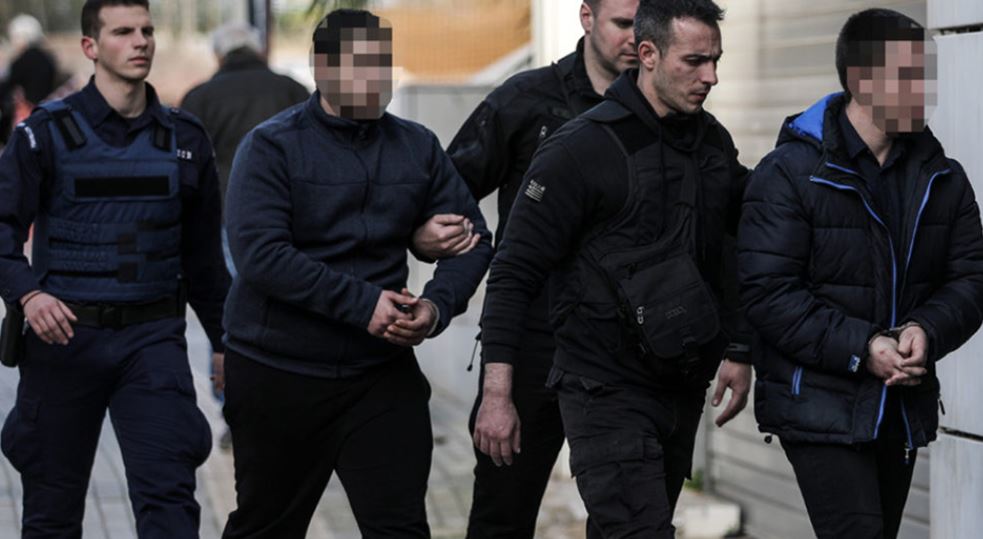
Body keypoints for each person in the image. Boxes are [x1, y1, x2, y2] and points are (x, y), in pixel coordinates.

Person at [473, 1, 752, 537]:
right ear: (648, 55)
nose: (711, 77)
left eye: (715, 60)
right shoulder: (580, 148)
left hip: (679, 386)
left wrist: (740, 347)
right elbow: (513, 272)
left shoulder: (711, 143)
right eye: (694, 61)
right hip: (602, 388)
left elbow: (735, 247)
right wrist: (497, 394)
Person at [219, 9, 493, 539]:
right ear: (322, 68)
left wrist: (435, 307)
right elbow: (261, 254)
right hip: (279, 373)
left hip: (379, 376)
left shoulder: (416, 146)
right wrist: (364, 305)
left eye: (383, 63)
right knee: (266, 527)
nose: (376, 77)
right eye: (360, 65)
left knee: (401, 528)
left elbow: (473, 239)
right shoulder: (271, 146)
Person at [738, 9, 983, 539]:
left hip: (899, 406)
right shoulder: (789, 174)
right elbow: (768, 293)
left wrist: (926, 330)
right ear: (861, 81)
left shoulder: (942, 177)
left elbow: (970, 280)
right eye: (907, 76)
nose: (924, 91)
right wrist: (863, 347)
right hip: (820, 403)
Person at [0, 1, 229, 537]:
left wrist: (225, 343)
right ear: (90, 46)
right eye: (123, 31)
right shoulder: (43, 134)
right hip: (63, 342)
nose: (140, 41)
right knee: (51, 516)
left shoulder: (186, 139)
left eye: (146, 30)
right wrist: (28, 295)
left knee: (171, 508)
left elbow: (203, 258)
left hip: (152, 342)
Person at [429, 1, 638, 536]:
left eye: (646, 23)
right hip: (530, 341)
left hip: (626, 347)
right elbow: (448, 191)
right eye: (623, 23)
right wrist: (434, 238)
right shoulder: (525, 99)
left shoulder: (662, 110)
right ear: (587, 18)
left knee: (629, 520)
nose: (637, 38)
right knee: (502, 514)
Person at [180, 21, 309, 450]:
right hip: (291, 220)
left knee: (230, 310)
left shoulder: (200, 98)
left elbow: (186, 171)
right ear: (258, 50)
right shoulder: (291, 89)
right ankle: (294, 410)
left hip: (225, 220)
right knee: (293, 307)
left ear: (219, 55)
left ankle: (236, 413)